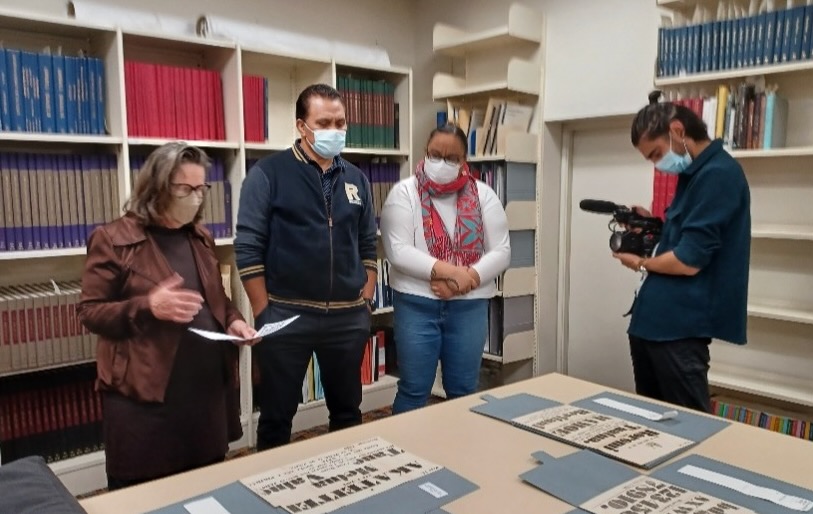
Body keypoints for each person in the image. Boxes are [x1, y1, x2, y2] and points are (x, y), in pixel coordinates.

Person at [78, 142, 258, 490]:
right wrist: (147, 306)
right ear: (157, 187)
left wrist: (235, 321)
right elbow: (90, 312)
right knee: (146, 495)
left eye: (201, 188)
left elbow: (217, 300)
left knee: (206, 489)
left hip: (205, 395)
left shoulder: (200, 237)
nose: (195, 197)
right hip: (145, 400)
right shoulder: (113, 239)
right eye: (185, 188)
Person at [235, 83, 377, 450]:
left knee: (348, 414)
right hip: (287, 314)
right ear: (302, 126)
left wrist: (367, 294)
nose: (335, 130)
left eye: (340, 122)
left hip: (347, 318)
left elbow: (368, 240)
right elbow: (248, 247)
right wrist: (264, 312)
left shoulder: (357, 178)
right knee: (277, 417)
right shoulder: (268, 174)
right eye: (324, 122)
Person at [615, 90, 751, 413]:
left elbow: (689, 260)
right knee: (652, 427)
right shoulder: (692, 176)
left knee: (688, 431)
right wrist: (654, 227)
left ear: (677, 131)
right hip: (653, 325)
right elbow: (686, 238)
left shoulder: (718, 174)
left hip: (679, 330)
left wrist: (641, 263)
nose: (658, 164)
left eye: (656, 154)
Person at [380, 124, 511, 414]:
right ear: (425, 153)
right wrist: (454, 274)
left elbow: (501, 251)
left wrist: (466, 281)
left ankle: (459, 454)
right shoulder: (404, 194)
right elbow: (397, 250)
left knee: (464, 391)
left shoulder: (484, 195)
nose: (442, 163)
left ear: (464, 161)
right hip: (417, 305)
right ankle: (405, 453)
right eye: (435, 154)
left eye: (452, 158)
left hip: (469, 307)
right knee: (414, 390)